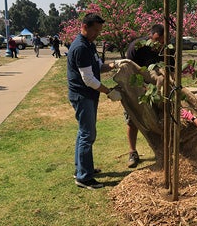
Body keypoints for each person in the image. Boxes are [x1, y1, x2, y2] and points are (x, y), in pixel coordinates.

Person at [67, 13, 122, 189]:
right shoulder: (81, 48)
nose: (97, 34)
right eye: (95, 30)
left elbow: (97, 67)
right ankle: (84, 178)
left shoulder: (89, 45)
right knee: (87, 135)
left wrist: (114, 65)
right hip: (83, 96)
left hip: (88, 96)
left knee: (83, 133)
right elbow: (88, 79)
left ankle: (81, 168)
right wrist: (109, 92)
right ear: (84, 26)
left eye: (99, 30)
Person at [122, 24, 172, 168]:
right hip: (137, 89)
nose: (160, 44)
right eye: (158, 40)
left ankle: (164, 150)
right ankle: (132, 152)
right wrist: (142, 88)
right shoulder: (137, 47)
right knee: (133, 120)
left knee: (162, 118)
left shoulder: (168, 48)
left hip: (160, 90)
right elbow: (129, 71)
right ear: (151, 35)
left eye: (163, 41)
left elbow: (171, 70)